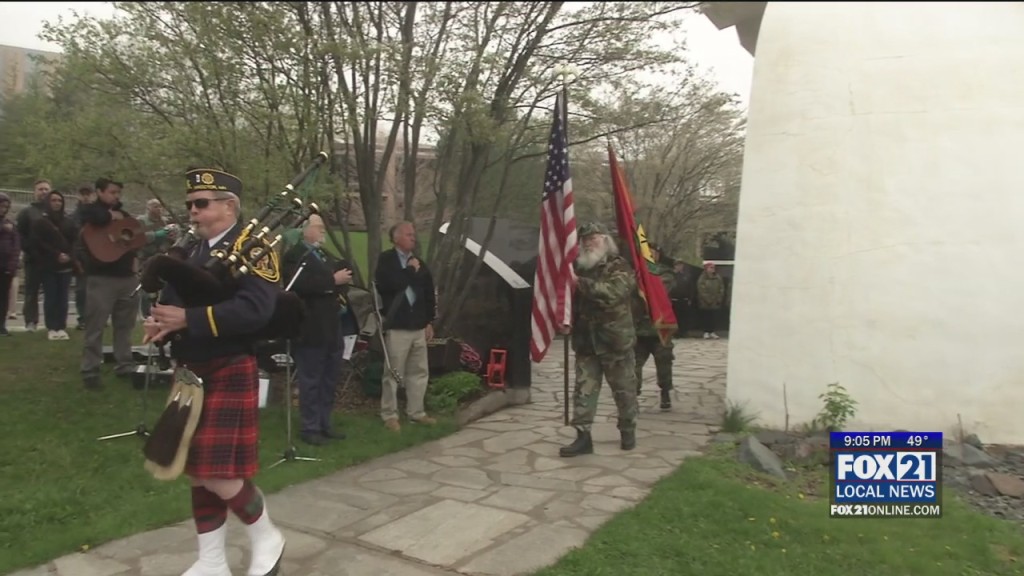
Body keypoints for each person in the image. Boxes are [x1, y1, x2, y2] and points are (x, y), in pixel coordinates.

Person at [143, 167, 285, 576]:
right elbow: (173, 302)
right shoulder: (192, 250)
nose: (192, 211)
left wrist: (188, 319)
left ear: (229, 206)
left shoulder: (255, 248)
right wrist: (160, 323)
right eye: (190, 204)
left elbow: (255, 310)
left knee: (216, 473)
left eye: (201, 203)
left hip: (229, 364)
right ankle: (212, 561)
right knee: (196, 471)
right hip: (191, 370)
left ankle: (266, 535)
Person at [560, 222, 640, 457]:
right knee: (583, 390)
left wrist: (579, 283)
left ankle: (627, 430)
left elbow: (613, 294)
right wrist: (564, 318)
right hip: (587, 341)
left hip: (615, 342)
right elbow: (570, 299)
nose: (588, 243)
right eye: (584, 239)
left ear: (605, 240)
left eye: (593, 238)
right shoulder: (579, 268)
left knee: (624, 391)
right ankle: (583, 437)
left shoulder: (620, 266)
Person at [282, 214, 353, 445]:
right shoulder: (295, 256)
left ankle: (324, 423)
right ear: (304, 230)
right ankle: (309, 427)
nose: (323, 230)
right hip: (311, 326)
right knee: (311, 379)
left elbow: (337, 280)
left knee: (329, 378)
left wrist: (341, 281)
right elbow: (298, 285)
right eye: (318, 226)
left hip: (332, 325)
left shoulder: (324, 254)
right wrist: (332, 281)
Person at [374, 221, 437, 432]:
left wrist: (429, 321)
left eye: (413, 234)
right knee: (393, 373)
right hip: (398, 326)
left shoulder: (419, 263)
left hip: (418, 325)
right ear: (396, 238)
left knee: (418, 371)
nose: (413, 237)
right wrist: (410, 271)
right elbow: (389, 285)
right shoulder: (387, 260)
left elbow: (428, 294)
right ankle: (389, 414)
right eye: (409, 234)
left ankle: (416, 412)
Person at [632, 244, 676, 410]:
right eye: (646, 252)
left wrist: (643, 279)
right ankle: (633, 396)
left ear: (658, 255)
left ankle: (665, 391)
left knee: (664, 363)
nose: (649, 255)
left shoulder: (665, 273)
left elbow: (659, 290)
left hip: (659, 328)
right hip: (639, 329)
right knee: (634, 365)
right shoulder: (635, 273)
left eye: (653, 253)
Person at [31, 190, 78, 340]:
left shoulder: (69, 221)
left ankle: (61, 326)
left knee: (63, 298)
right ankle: (51, 327)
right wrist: (56, 254)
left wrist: (69, 256)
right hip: (49, 266)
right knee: (51, 297)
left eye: (59, 200)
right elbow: (39, 243)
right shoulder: (41, 222)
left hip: (66, 266)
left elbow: (74, 241)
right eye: (54, 200)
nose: (57, 203)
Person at [15, 179, 52, 331]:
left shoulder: (56, 211)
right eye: (40, 189)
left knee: (53, 292)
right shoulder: (27, 212)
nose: (44, 192)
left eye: (46, 189)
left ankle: (53, 323)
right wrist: (30, 250)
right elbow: (20, 235)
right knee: (31, 292)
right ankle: (31, 321)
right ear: (34, 192)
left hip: (52, 259)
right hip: (33, 259)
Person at [0, 193, 19, 336]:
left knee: (3, 298)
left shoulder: (11, 224)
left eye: (5, 206)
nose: (3, 209)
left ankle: (1, 325)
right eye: (1, 206)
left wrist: (12, 265)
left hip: (5, 267)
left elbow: (16, 246)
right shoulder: (6, 226)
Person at [697, 261, 726, 339]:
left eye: (713, 268)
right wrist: (708, 299)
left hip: (715, 301)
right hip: (705, 302)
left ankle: (712, 332)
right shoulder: (702, 278)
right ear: (707, 269)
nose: (713, 269)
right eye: (711, 267)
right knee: (706, 316)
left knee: (714, 317)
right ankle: (706, 332)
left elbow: (721, 288)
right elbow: (701, 289)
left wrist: (719, 298)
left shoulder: (718, 277)